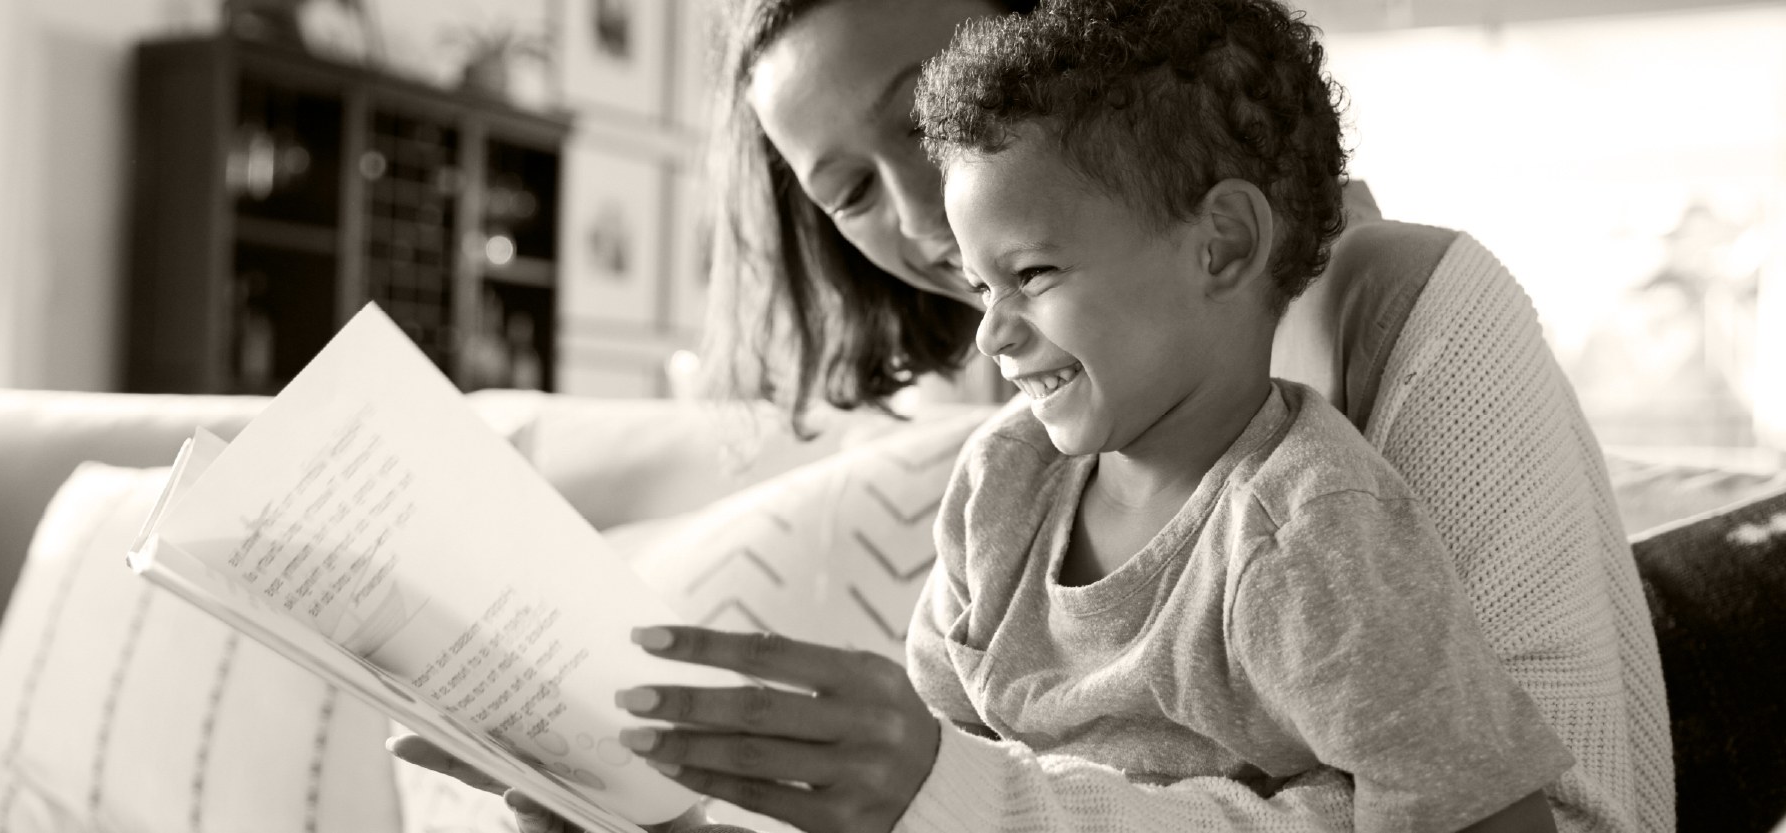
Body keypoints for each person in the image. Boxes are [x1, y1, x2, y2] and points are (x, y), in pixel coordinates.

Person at [392, 0, 1673, 830]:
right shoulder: (1025, 448)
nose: (921, 228)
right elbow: (940, 778)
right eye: (844, 189)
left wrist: (958, 792)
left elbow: (1535, 810)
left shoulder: (1340, 447)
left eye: (923, 117)